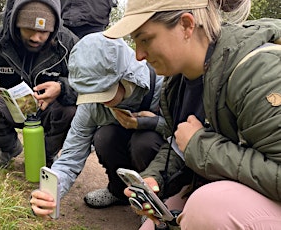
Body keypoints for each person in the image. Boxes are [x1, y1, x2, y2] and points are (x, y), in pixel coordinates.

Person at [103, 0, 281, 229]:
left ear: (186, 25)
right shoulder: (177, 83)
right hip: (237, 193)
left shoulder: (259, 72)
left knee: (207, 209)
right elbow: (180, 143)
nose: (138, 55)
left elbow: (193, 143)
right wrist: (154, 179)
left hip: (236, 199)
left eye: (145, 39)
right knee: (151, 226)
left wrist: (201, 146)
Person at [30, 32, 167, 215]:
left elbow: (182, 136)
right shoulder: (91, 104)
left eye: (103, 93)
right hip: (120, 140)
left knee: (144, 143)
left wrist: (150, 123)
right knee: (104, 137)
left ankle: (156, 203)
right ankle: (118, 192)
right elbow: (71, 155)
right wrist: (52, 191)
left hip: (155, 149)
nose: (99, 101)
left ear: (126, 79)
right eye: (91, 94)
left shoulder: (162, 82)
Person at [0, 0, 79, 170]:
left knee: (71, 111)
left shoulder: (69, 44)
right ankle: (9, 148)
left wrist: (62, 88)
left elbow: (89, 86)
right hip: (10, 108)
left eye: (43, 32)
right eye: (29, 29)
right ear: (16, 24)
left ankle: (46, 156)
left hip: (48, 110)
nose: (35, 38)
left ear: (53, 29)